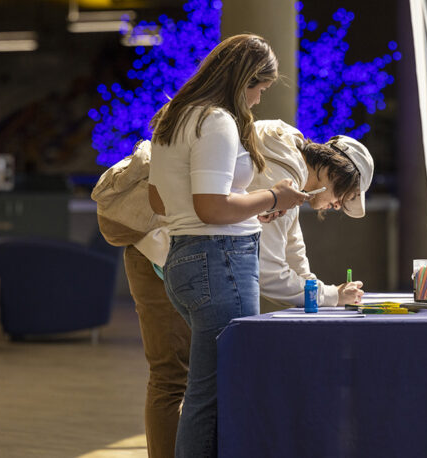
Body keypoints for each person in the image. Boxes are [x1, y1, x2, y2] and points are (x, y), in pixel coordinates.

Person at [147, 34, 309, 457]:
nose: (257, 101)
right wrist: (275, 197)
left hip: (185, 258)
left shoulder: (172, 117)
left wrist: (253, 211)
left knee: (207, 390)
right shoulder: (215, 121)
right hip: (220, 262)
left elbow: (159, 200)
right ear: (242, 80)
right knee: (216, 394)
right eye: (259, 88)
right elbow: (212, 208)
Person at [91, 140, 190, 458]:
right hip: (162, 258)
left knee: (169, 375)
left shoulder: (163, 144)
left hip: (148, 254)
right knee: (170, 376)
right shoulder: (189, 142)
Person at [250, 120, 372, 310]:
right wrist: (333, 295)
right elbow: (270, 275)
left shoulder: (294, 175)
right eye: (344, 196)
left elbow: (296, 261)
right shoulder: (283, 177)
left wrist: (328, 294)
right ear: (336, 174)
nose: (338, 206)